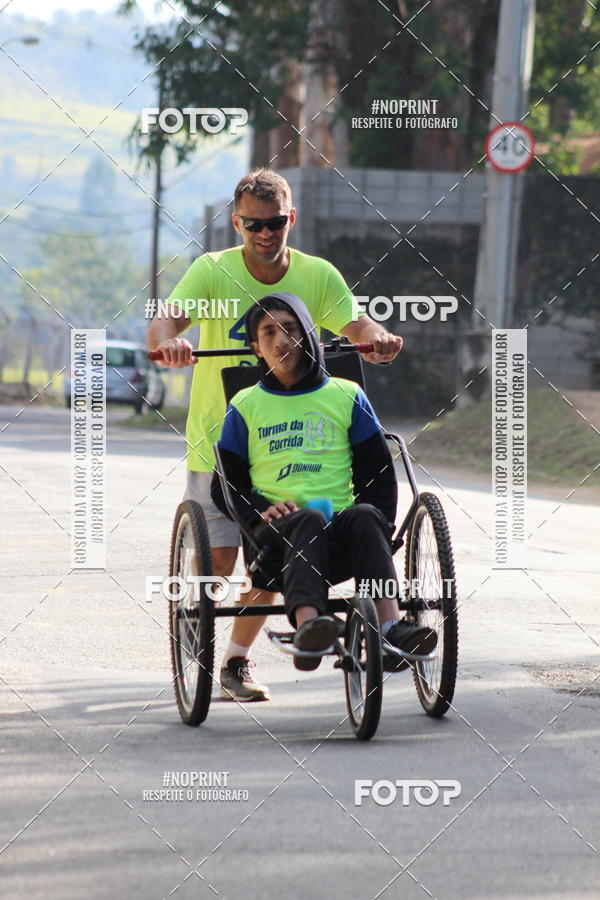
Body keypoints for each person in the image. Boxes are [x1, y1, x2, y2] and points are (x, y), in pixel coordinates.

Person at [147, 168, 404, 701]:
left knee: (283, 545)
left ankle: (236, 661)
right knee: (222, 562)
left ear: (292, 219)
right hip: (227, 441)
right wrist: (169, 343)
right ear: (237, 223)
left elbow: (357, 327)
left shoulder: (318, 275)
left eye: (275, 223)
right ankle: (205, 628)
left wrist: (377, 338)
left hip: (303, 446)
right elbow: (166, 321)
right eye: (252, 225)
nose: (264, 235)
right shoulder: (211, 272)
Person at [211, 292, 437, 684]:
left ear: (309, 336)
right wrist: (259, 510)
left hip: (342, 535)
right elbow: (226, 485)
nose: (282, 340)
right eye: (269, 333)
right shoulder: (245, 404)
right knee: (307, 517)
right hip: (276, 537)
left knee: (366, 515)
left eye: (290, 329)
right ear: (256, 348)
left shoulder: (346, 395)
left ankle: (390, 627)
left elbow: (379, 475)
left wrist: (380, 529)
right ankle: (311, 626)